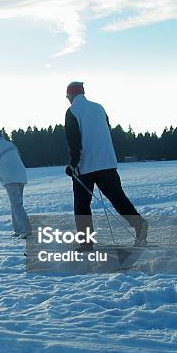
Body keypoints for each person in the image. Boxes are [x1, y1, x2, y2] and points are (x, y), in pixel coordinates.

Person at [64, 81, 148, 246]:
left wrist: (73, 164)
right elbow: (105, 131)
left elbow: (74, 142)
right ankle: (139, 224)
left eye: (67, 96)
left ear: (70, 96)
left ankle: (86, 244)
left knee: (82, 206)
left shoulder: (72, 111)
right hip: (108, 163)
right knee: (118, 198)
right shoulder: (99, 108)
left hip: (85, 166)